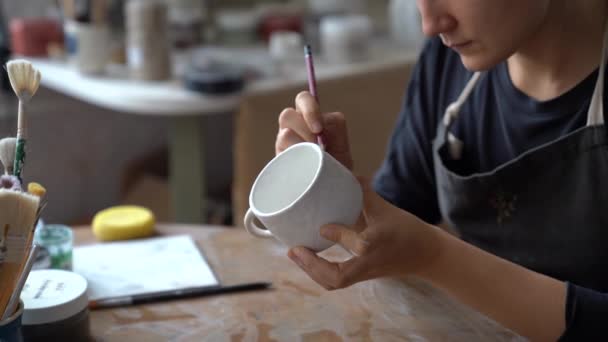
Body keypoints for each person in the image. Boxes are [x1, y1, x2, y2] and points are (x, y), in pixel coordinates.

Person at [275, 1, 608, 340]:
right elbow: (389, 232)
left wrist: (435, 257)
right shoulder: (448, 61)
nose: (430, 24)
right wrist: (336, 186)